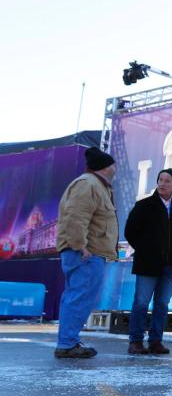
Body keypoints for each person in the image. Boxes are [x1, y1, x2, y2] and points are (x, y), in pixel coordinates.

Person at [53, 147, 120, 359]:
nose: (115, 169)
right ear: (106, 167)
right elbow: (76, 216)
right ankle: (67, 344)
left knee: (77, 296)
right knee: (79, 297)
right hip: (86, 253)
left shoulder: (96, 185)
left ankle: (68, 341)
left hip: (87, 252)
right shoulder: (88, 184)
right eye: (113, 165)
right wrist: (80, 245)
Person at [124, 169, 172, 355]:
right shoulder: (144, 205)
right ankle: (136, 342)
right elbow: (130, 232)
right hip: (147, 264)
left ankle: (156, 341)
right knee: (141, 302)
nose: (162, 183)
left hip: (171, 265)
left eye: (167, 181)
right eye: (160, 180)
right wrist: (146, 249)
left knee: (162, 303)